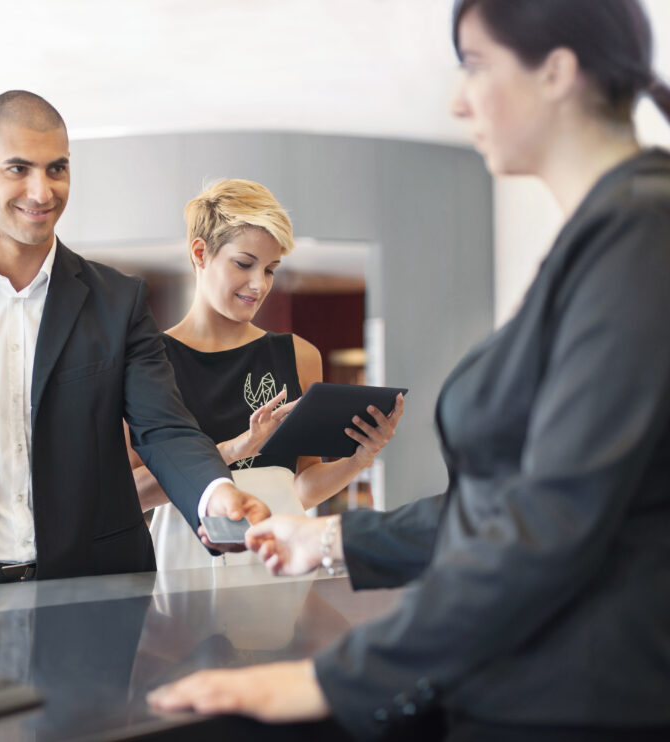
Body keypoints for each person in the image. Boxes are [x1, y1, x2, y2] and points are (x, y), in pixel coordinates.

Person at [149, 1, 670, 739]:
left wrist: (329, 676)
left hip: (578, 694)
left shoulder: (643, 232)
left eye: (475, 66)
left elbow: (549, 520)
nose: (459, 100)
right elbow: (503, 506)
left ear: (556, 71)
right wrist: (333, 539)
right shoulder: (606, 236)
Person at [0, 90, 270, 597]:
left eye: (57, 169)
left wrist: (217, 495)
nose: (41, 192)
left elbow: (166, 430)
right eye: (18, 169)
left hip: (94, 594)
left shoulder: (119, 302)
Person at [130, 179, 403, 570]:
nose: (259, 285)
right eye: (244, 264)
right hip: (187, 563)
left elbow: (300, 490)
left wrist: (359, 459)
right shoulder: (148, 361)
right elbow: (127, 496)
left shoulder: (298, 355)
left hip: (279, 558)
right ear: (200, 252)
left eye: (271, 269)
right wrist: (234, 450)